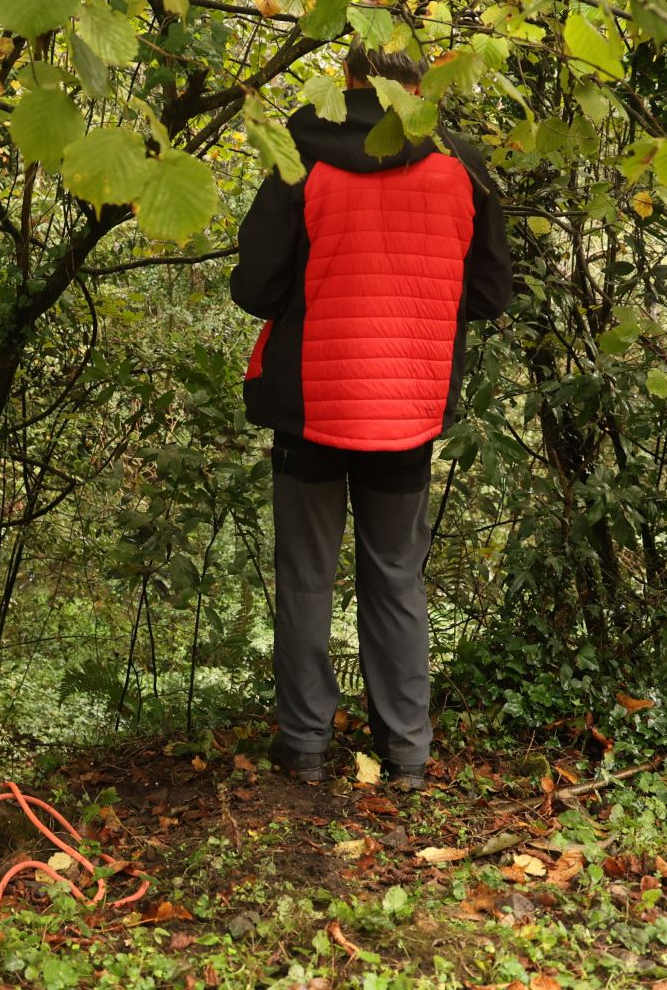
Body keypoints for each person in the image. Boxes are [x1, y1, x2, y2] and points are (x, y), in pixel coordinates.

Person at [230, 42, 513, 791]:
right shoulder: (463, 162)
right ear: (421, 82)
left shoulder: (301, 152)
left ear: (348, 78)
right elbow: (488, 296)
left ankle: (304, 749)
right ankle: (408, 756)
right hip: (408, 411)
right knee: (395, 578)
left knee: (305, 579)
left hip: (310, 404)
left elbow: (255, 285)